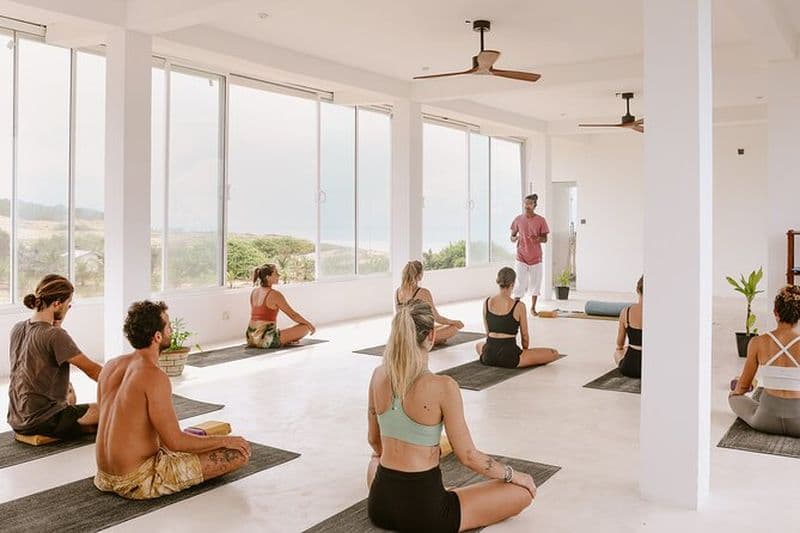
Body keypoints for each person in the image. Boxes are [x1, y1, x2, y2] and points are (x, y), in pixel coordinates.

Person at [366, 300, 536, 532]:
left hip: (380, 507)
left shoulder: (378, 375)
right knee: (522, 493)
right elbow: (468, 456)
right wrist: (513, 475)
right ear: (432, 335)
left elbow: (374, 442)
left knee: (375, 460)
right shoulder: (443, 386)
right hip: (427, 514)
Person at [94, 300, 251, 500]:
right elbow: (175, 442)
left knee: (187, 441)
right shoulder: (154, 376)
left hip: (103, 476)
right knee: (239, 454)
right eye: (169, 326)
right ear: (158, 336)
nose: (172, 330)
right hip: (137, 480)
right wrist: (226, 441)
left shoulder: (110, 366)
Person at [8, 274, 102, 440]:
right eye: (68, 304)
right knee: (116, 410)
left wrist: (57, 323)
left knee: (71, 395)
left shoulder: (18, 328)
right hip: (42, 420)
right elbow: (94, 371)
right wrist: (127, 384)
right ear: (57, 304)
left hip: (16, 419)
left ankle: (78, 426)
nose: (68, 308)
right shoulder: (54, 335)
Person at [729, 285, 800, 438]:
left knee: (733, 397)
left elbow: (742, 387)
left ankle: (755, 387)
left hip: (765, 420)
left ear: (776, 312)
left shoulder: (757, 342)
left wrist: (737, 392)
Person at [475, 267, 559, 368]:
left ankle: (493, 357)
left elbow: (488, 333)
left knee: (479, 345)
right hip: (510, 357)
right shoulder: (519, 306)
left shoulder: (487, 302)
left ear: (498, 282)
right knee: (554, 353)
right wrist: (525, 352)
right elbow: (525, 336)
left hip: (489, 356)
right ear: (513, 284)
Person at [246, 263, 316, 348]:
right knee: (305, 328)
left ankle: (286, 339)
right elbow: (293, 315)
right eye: (276, 273)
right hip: (266, 339)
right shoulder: (275, 294)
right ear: (268, 277)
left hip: (250, 338)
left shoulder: (254, 292)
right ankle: (286, 340)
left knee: (288, 329)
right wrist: (309, 324)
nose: (279, 275)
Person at [395, 260, 464, 345]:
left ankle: (432, 341)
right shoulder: (423, 292)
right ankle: (425, 342)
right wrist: (454, 322)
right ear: (419, 275)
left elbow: (398, 316)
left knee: (434, 328)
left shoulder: (397, 291)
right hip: (415, 336)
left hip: (402, 333)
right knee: (453, 329)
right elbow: (437, 318)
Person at [510, 194, 550, 316]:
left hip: (536, 257)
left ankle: (532, 308)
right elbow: (512, 237)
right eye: (525, 203)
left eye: (530, 204)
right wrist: (515, 238)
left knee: (535, 283)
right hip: (521, 256)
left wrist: (536, 238)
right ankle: (515, 308)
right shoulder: (518, 219)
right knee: (519, 282)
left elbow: (545, 239)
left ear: (534, 205)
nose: (527, 206)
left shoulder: (541, 220)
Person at [614, 276, 643, 378]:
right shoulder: (661, 313)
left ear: (637, 290)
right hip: (653, 368)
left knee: (618, 351)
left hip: (629, 368)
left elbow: (619, 344)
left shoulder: (626, 311)